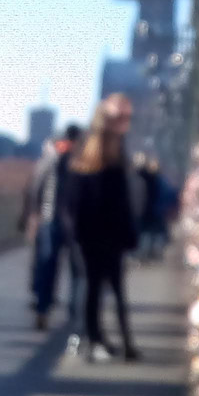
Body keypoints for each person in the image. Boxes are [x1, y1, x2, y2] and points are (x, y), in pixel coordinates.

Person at [61, 94, 140, 363]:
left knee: (112, 289)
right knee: (97, 288)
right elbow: (75, 200)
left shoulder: (108, 152)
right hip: (93, 235)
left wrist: (128, 232)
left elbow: (122, 199)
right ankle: (96, 340)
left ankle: (115, 341)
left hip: (107, 234)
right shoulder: (93, 152)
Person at [20, 123, 83, 331]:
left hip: (57, 219)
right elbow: (35, 189)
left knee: (51, 265)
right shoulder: (69, 161)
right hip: (59, 220)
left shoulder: (51, 160)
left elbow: (34, 189)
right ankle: (54, 309)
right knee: (57, 266)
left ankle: (49, 308)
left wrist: (33, 216)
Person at [135, 153, 170, 262]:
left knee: (146, 233)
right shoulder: (157, 180)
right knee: (152, 233)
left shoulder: (140, 178)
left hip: (145, 210)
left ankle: (145, 254)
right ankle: (151, 254)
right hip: (154, 210)